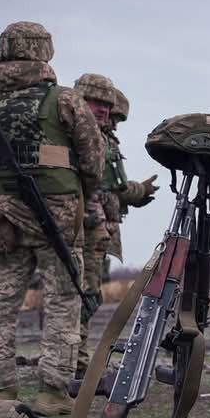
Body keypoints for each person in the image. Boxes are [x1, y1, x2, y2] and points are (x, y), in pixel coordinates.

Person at [0, 22, 104, 415]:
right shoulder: (64, 100)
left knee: (1, 301)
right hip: (58, 215)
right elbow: (93, 159)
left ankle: (0, 390)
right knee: (63, 300)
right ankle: (51, 390)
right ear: (44, 52)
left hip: (2, 214)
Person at [72, 76, 158, 377]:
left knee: (87, 295)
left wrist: (137, 193)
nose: (110, 117)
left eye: (113, 112)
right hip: (85, 229)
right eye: (101, 106)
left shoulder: (103, 139)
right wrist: (139, 192)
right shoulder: (87, 138)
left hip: (99, 229)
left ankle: (75, 361)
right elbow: (113, 186)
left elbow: (114, 189)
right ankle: (75, 363)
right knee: (83, 296)